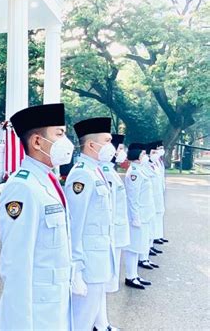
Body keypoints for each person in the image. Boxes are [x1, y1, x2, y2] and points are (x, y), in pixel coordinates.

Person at [0, 104, 74, 331]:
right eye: (59, 134)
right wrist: (18, 323)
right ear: (37, 142)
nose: (65, 141)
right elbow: (15, 263)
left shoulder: (46, 179)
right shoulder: (23, 187)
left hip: (55, 301)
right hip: (36, 311)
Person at [64, 117, 117, 331]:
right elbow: (75, 223)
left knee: (90, 313)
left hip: (99, 257)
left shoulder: (96, 170)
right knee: (81, 320)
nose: (111, 146)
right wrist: (76, 269)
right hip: (88, 261)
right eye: (107, 140)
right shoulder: (81, 174)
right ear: (92, 145)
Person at [94, 134, 131, 330]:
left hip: (113, 233)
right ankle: (99, 323)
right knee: (99, 285)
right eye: (118, 148)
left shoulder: (107, 170)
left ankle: (101, 322)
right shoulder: (104, 171)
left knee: (102, 285)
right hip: (108, 235)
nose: (120, 152)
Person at [123, 144, 153, 290]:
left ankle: (134, 275)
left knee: (138, 246)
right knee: (133, 248)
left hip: (144, 215)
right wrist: (135, 217)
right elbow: (132, 197)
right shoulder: (134, 173)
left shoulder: (140, 170)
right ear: (137, 156)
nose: (145, 156)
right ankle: (130, 276)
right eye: (142, 154)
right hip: (137, 216)